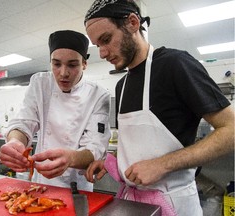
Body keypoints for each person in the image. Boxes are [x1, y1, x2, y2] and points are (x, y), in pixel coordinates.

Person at [83, 0, 235, 215]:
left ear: (133, 23)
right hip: (134, 205)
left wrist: (162, 165)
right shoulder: (122, 85)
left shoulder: (176, 65)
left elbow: (231, 131)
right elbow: (140, 148)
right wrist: (112, 164)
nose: (103, 53)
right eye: (98, 45)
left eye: (106, 39)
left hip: (175, 204)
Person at [0, 30, 111, 191]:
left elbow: (96, 148)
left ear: (84, 63)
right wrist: (15, 141)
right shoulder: (40, 83)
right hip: (40, 181)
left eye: (72, 65)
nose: (63, 73)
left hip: (77, 186)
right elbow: (24, 122)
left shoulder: (98, 95)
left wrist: (71, 158)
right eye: (56, 64)